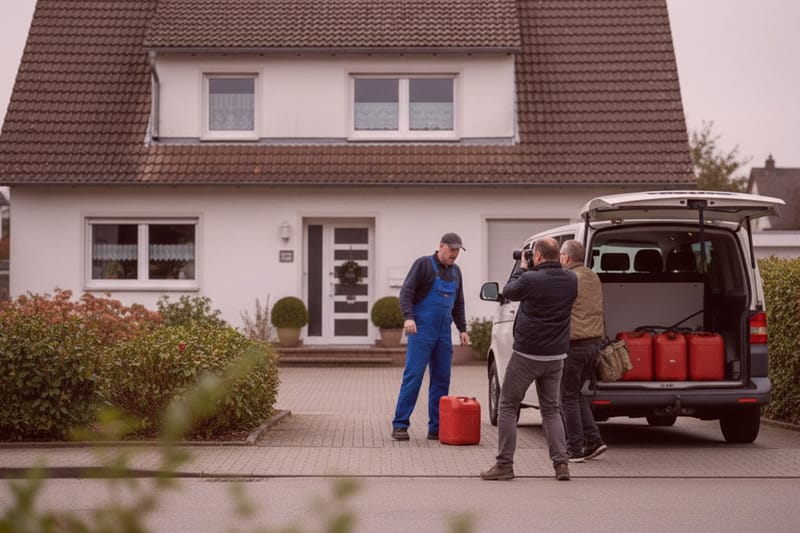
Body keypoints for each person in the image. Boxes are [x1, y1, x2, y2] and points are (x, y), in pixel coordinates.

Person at [480, 237, 577, 481]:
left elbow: (509, 291)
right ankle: (561, 465)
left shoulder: (531, 278)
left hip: (527, 354)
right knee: (552, 410)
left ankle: (504, 465)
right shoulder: (571, 279)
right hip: (556, 356)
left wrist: (523, 266)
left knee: (507, 406)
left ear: (538, 256)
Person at [391, 232, 471, 441]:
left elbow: (458, 303)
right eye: (452, 249)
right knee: (413, 377)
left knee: (441, 380)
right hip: (421, 330)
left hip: (443, 332)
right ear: (441, 246)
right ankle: (400, 425)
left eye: (457, 251)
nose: (455, 254)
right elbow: (406, 293)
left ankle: (436, 428)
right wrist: (408, 317)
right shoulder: (424, 265)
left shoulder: (456, 273)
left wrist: (462, 329)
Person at [559, 239, 608, 462]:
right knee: (578, 395)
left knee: (567, 397)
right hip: (593, 345)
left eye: (560, 256)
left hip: (574, 346)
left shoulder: (569, 278)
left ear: (567, 258)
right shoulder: (593, 276)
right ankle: (594, 441)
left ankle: (574, 448)